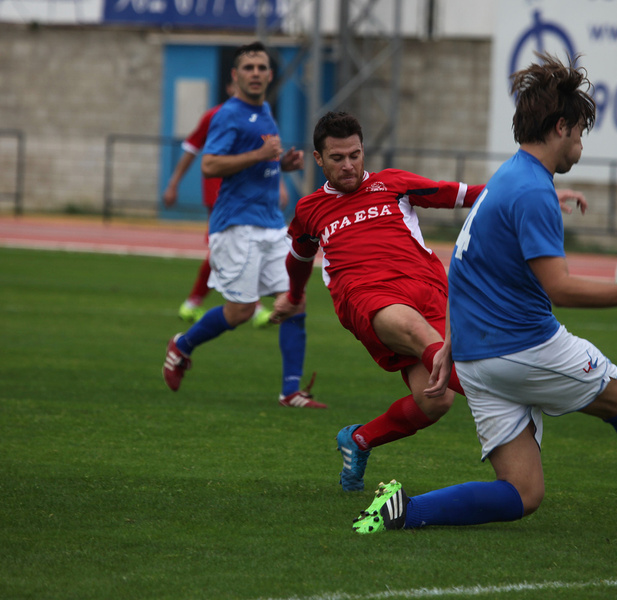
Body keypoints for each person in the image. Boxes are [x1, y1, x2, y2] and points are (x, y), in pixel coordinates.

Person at [351, 54, 617, 535]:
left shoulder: (506, 178)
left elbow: (460, 267)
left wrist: (452, 346)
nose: (580, 145)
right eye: (579, 133)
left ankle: (403, 511)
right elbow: (558, 288)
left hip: (477, 360)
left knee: (523, 492)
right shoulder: (533, 191)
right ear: (560, 127)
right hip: (523, 347)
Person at [270, 111, 586, 490]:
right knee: (419, 335)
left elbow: (467, 195)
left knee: (434, 401)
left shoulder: (393, 183)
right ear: (319, 159)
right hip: (367, 297)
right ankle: (514, 393)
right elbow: (299, 259)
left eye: (355, 154)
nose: (349, 165)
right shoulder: (310, 210)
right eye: (337, 158)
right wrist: (293, 295)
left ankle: (359, 439)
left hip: (430, 292)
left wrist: (540, 193)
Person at [162, 41, 324, 409]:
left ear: (270, 75)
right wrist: (261, 155)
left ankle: (291, 392)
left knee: (294, 302)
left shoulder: (265, 110)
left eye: (261, 67)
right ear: (235, 76)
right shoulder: (227, 114)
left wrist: (280, 165)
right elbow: (210, 165)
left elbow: (257, 164)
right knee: (241, 312)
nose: (255, 73)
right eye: (248, 67)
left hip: (270, 223)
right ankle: (181, 346)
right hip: (236, 225)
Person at [162, 81, 285, 328]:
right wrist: (173, 183)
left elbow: (269, 157)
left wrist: (279, 185)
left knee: (243, 247)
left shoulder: (263, 115)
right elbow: (191, 150)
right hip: (221, 193)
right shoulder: (217, 116)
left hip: (254, 196)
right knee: (223, 249)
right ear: (230, 85)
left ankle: (200, 303)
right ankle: (206, 304)